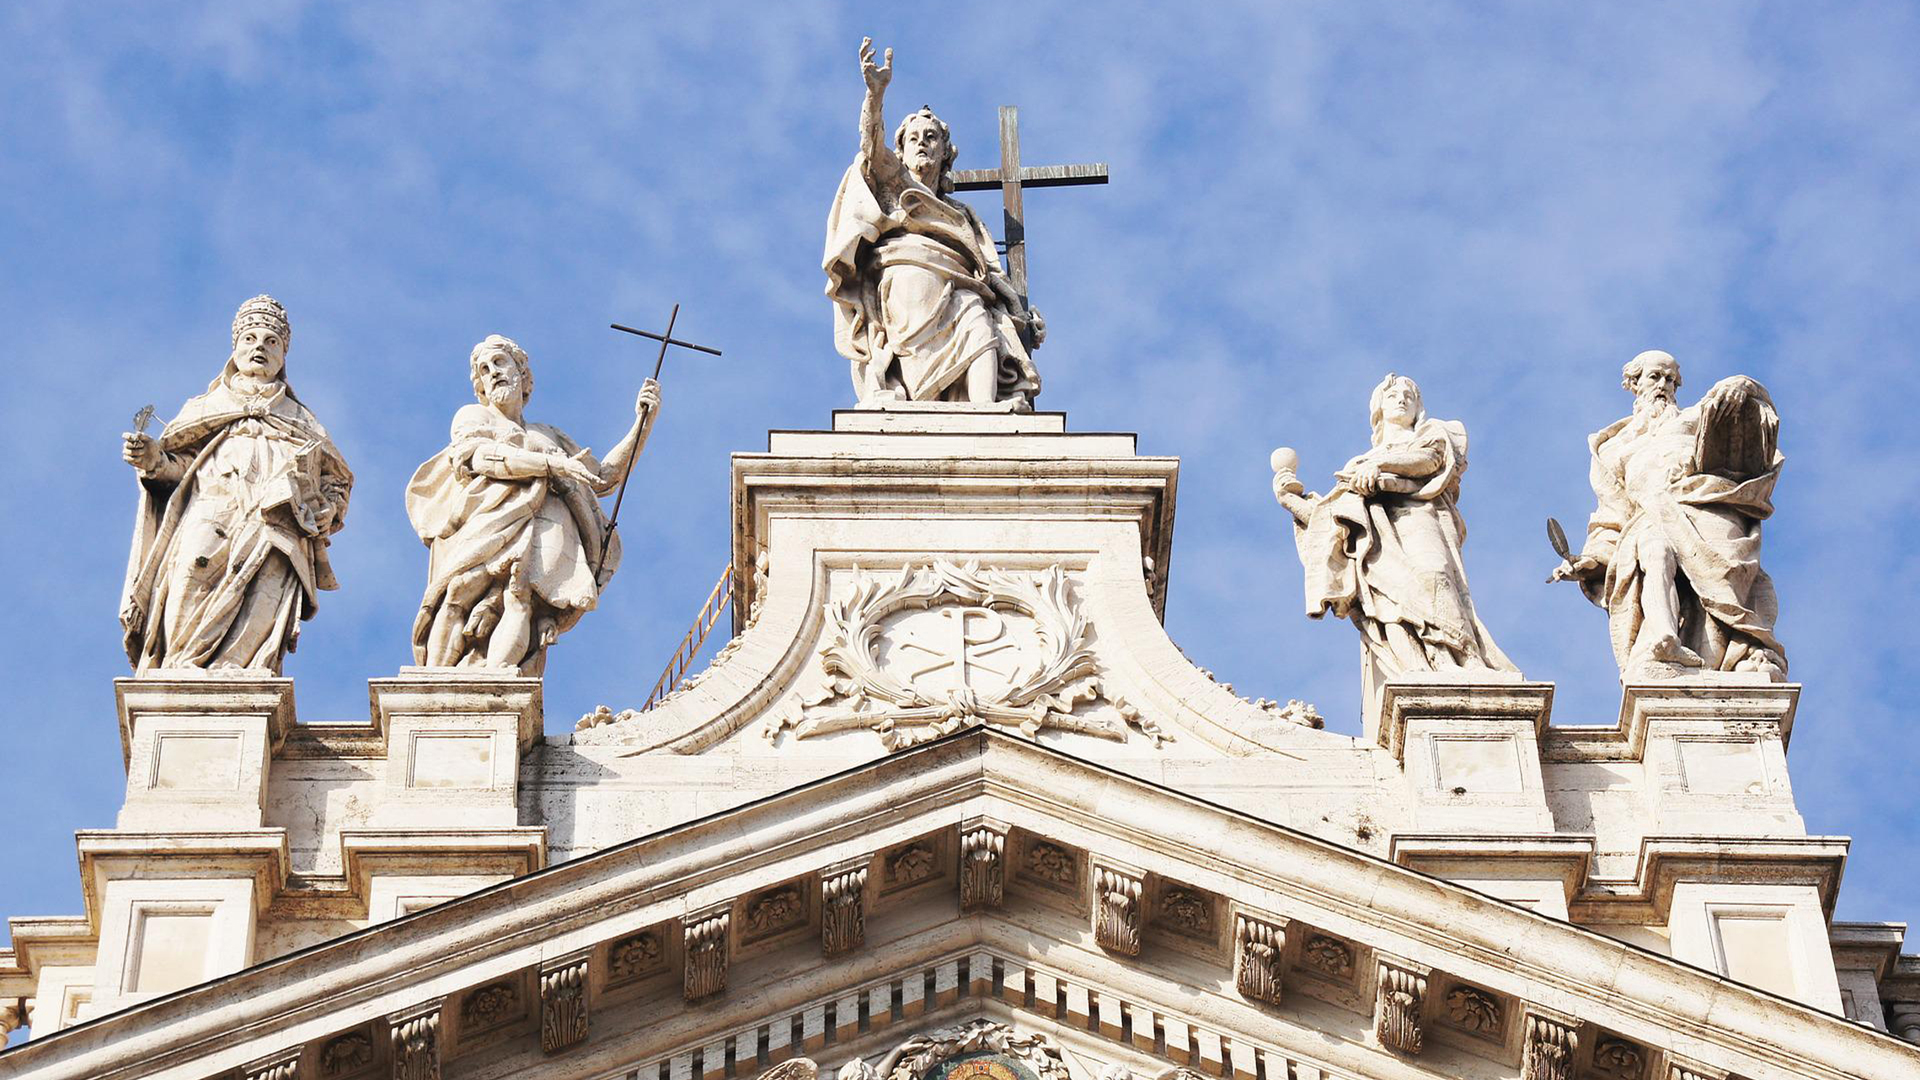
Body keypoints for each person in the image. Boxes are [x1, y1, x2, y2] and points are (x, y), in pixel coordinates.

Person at [119, 295, 353, 674]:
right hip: (213, 506)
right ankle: (179, 666)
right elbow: (182, 468)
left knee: (267, 587)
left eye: (271, 341)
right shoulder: (204, 407)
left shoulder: (303, 420)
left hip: (276, 522)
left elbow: (335, 481)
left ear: (282, 356)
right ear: (236, 348)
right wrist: (154, 462)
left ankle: (236, 670)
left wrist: (326, 509)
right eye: (250, 338)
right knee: (190, 572)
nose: (259, 347)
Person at [406, 334, 661, 674]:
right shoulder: (473, 417)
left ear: (522, 373)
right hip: (489, 519)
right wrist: (550, 465)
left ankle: (500, 677)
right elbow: (479, 457)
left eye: (500, 363)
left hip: (545, 523)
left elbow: (603, 477)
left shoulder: (548, 434)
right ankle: (435, 681)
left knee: (521, 596)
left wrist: (642, 424)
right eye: (484, 370)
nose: (492, 372)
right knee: (459, 591)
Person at [823, 38, 1044, 409]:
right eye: (914, 139)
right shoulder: (892, 185)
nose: (922, 144)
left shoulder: (965, 217)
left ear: (944, 152)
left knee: (976, 312)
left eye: (931, 138)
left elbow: (991, 273)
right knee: (962, 305)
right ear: (902, 150)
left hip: (961, 286)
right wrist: (875, 96)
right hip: (904, 281)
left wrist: (1021, 317)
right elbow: (870, 145)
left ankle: (984, 408)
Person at [1273, 374, 1516, 711]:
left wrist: (1378, 466)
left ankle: (1465, 658)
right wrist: (1290, 499)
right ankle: (1420, 666)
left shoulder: (1434, 434)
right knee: (1389, 604)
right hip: (1375, 541)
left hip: (1420, 520)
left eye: (1409, 395)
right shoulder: (1356, 466)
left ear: (1419, 406)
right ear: (1378, 409)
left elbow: (1428, 462)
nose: (1401, 399)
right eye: (1392, 395)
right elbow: (1332, 522)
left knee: (1436, 577)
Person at [1550, 350, 1786, 681]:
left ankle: (1737, 653)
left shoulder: (1692, 420)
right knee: (1652, 548)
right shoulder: (1612, 447)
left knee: (1724, 600)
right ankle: (1663, 641)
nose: (1664, 385)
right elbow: (1611, 516)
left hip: (1705, 507)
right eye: (1655, 377)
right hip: (1649, 516)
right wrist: (1591, 559)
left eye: (1671, 379)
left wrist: (1742, 386)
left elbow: (1756, 416)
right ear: (1633, 383)